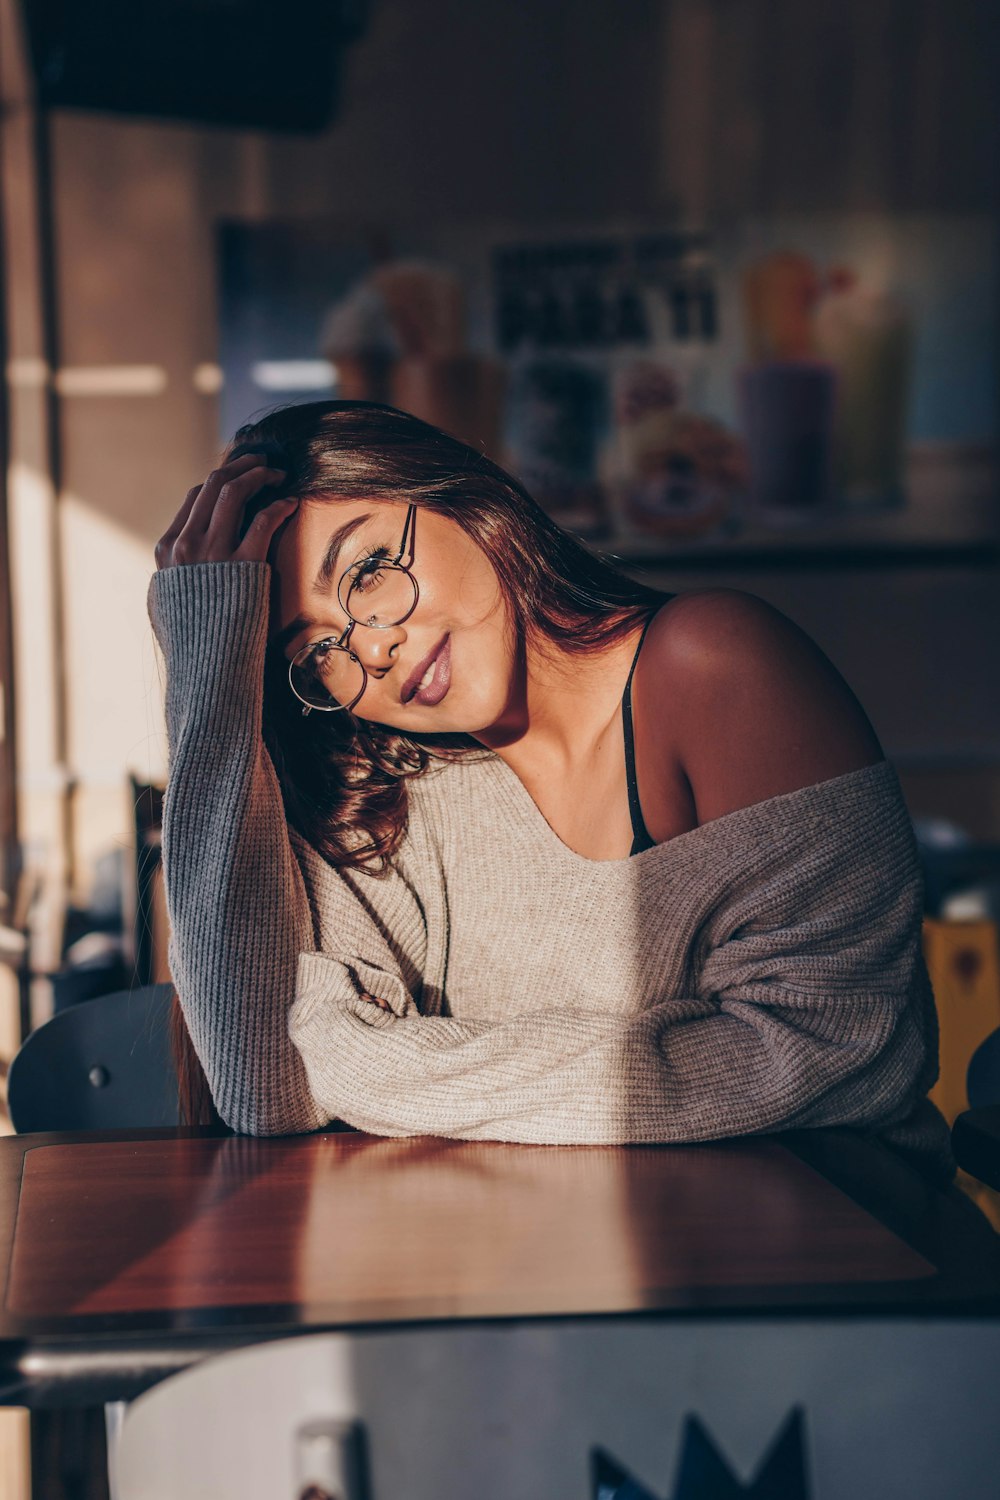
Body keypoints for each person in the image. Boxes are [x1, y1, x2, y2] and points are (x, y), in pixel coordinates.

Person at [149, 400, 950, 1170]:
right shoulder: (384, 783)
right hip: (551, 1266)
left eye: (367, 570)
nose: (374, 649)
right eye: (315, 650)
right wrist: (206, 662)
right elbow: (265, 1082)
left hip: (838, 1262)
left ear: (461, 498)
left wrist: (367, 1065)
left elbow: (837, 1056)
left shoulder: (715, 665)